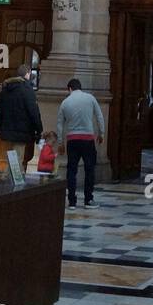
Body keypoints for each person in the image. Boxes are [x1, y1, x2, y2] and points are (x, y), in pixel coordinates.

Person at [56, 78, 105, 209]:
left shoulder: (65, 102)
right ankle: (88, 199)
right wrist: (101, 133)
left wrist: (60, 142)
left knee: (71, 170)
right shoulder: (90, 98)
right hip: (88, 139)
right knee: (90, 169)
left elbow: (60, 124)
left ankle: (72, 201)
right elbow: (99, 116)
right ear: (80, 87)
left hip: (72, 139)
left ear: (69, 89)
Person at [0, 63, 42, 174]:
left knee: (11, 156)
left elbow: (0, 109)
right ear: (27, 73)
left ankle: (11, 176)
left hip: (7, 128)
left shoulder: (6, 89)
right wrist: (39, 128)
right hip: (22, 129)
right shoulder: (27, 89)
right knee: (18, 157)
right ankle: (9, 178)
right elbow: (33, 111)